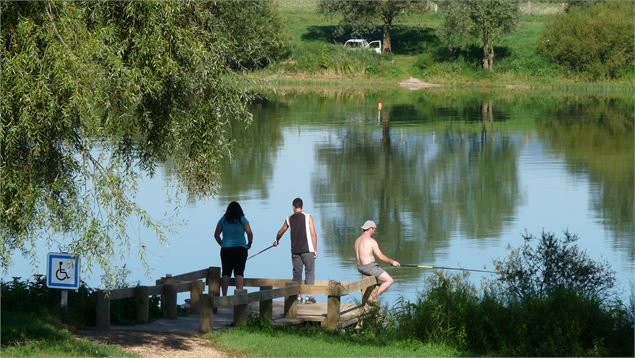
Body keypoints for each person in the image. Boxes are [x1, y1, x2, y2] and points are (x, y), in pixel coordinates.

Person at [273, 197, 318, 304]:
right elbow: (313, 234)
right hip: (308, 250)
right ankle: (309, 296)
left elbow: (281, 231)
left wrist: (277, 240)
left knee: (297, 274)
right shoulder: (308, 217)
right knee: (310, 272)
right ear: (302, 206)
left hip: (295, 251)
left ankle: (298, 297)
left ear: (294, 206)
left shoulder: (289, 218)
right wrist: (315, 249)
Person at [214, 201, 253, 296]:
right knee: (239, 273)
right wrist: (249, 243)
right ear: (240, 210)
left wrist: (222, 244)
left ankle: (224, 296)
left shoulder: (223, 220)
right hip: (240, 249)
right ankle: (239, 296)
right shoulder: (243, 219)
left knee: (226, 273)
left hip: (226, 249)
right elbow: (250, 233)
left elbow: (216, 234)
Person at [354, 220, 400, 301]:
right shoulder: (371, 241)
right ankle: (374, 297)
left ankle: (373, 292)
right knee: (389, 280)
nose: (374, 231)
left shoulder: (357, 240)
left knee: (380, 279)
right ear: (370, 229)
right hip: (369, 267)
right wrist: (393, 262)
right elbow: (380, 256)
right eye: (374, 229)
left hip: (359, 267)